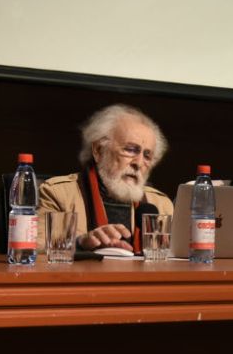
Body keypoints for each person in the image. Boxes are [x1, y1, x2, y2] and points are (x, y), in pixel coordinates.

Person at [38, 104, 173, 252]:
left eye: (147, 155)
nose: (139, 163)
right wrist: (80, 243)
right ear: (98, 150)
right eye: (130, 150)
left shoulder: (161, 205)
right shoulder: (59, 194)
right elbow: (35, 246)